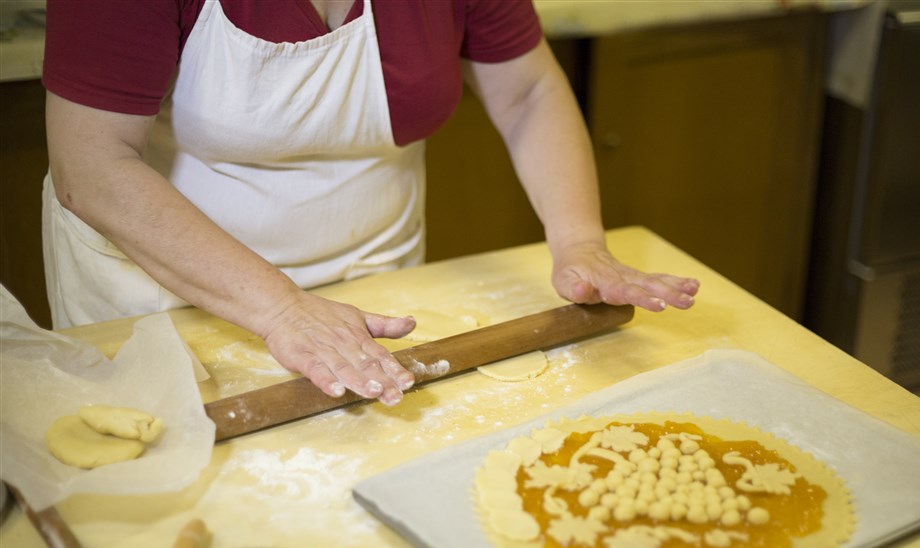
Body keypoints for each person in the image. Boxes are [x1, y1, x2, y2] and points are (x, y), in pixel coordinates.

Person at [41, 0, 699, 407]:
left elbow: (527, 92)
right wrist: (281, 308)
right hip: (167, 297)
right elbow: (91, 166)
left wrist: (580, 240)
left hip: (375, 293)